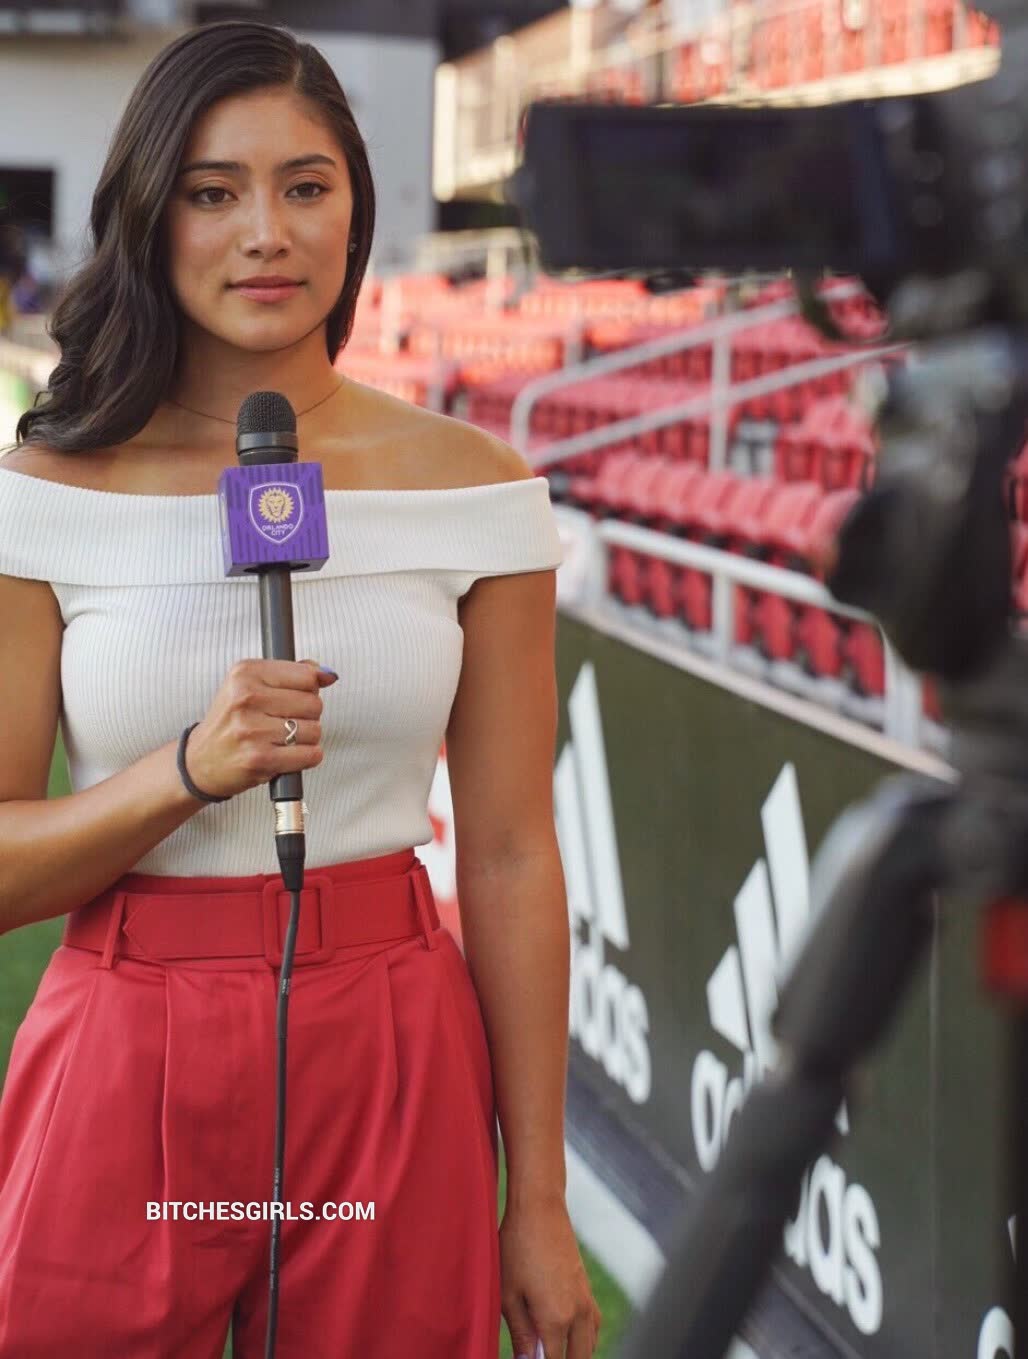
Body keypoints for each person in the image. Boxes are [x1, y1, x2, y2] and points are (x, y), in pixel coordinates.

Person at [0, 19, 601, 1359]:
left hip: (392, 1043)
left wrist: (543, 1199)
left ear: (355, 210)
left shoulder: (478, 488)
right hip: (126, 1033)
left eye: (305, 186)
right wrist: (186, 771)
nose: (266, 233)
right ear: (152, 217)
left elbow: (511, 853)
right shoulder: (39, 499)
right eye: (213, 192)